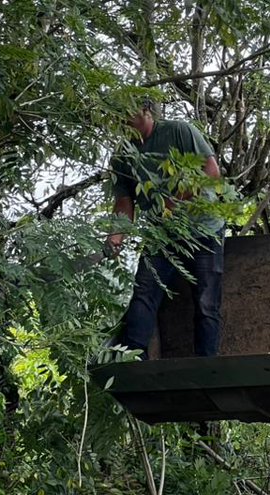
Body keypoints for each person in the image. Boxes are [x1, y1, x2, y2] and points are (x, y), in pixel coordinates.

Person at [107, 100, 224, 358]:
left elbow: (211, 171)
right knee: (144, 292)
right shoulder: (122, 155)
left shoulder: (179, 132)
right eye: (119, 118)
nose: (125, 122)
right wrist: (116, 235)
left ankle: (207, 366)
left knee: (206, 303)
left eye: (129, 114)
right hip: (161, 235)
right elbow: (125, 201)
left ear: (147, 112)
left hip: (204, 229)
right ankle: (132, 359)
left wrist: (171, 203)